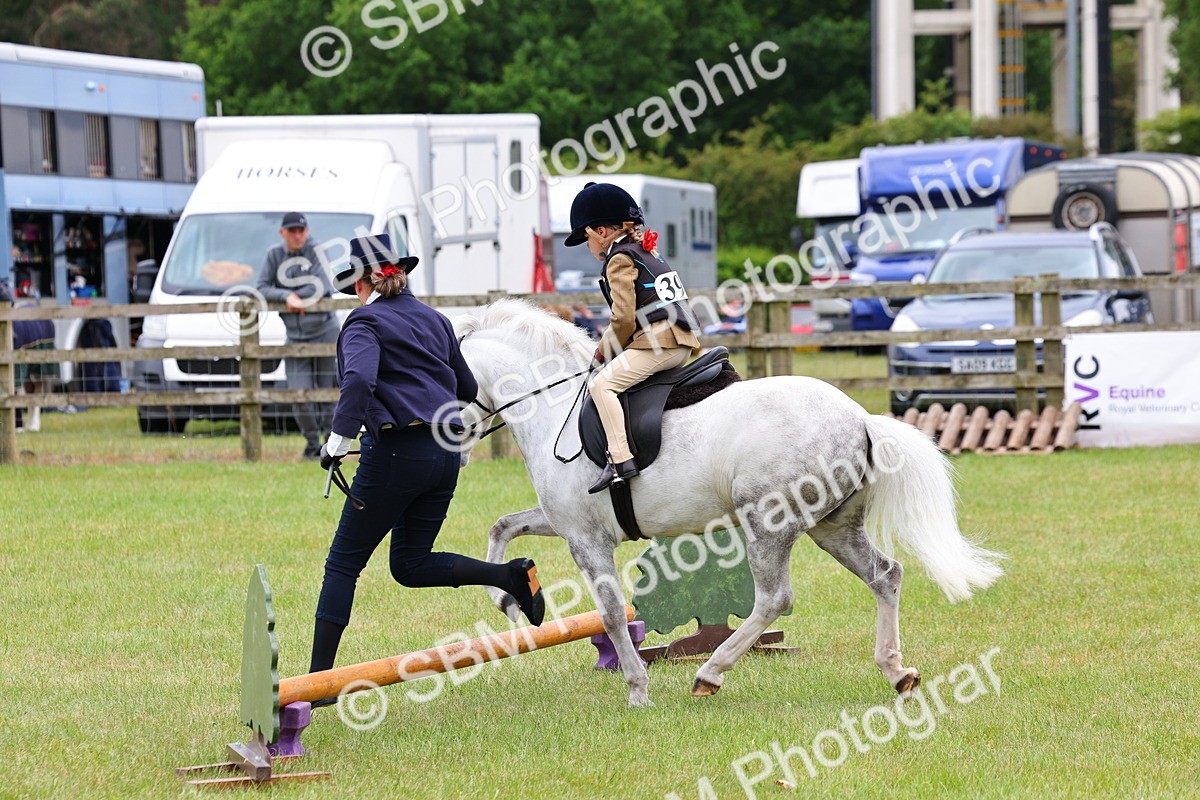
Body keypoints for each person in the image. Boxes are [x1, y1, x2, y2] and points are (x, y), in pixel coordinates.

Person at [308, 233, 545, 676]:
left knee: (341, 565)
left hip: (397, 455)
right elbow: (467, 388)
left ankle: (316, 682)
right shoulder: (436, 320)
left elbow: (358, 380)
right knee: (410, 564)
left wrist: (337, 442)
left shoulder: (363, 322)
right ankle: (508, 576)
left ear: (361, 283)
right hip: (445, 455)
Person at [563, 182, 701, 494]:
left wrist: (602, 351)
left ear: (601, 232)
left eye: (586, 238)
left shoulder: (619, 259)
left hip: (659, 342)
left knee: (602, 384)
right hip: (682, 339)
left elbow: (623, 319)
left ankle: (620, 461)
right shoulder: (646, 251)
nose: (588, 247)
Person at [256, 212, 340, 459]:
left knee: (328, 393)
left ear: (307, 231)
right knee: (298, 394)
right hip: (294, 336)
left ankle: (330, 445)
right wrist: (286, 296)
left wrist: (293, 295)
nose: (297, 235)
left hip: (325, 330)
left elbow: (322, 285)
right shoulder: (274, 255)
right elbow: (260, 287)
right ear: (282, 233)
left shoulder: (317, 251)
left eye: (301, 230)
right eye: (292, 231)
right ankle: (312, 444)